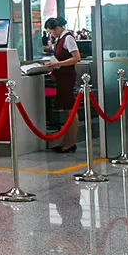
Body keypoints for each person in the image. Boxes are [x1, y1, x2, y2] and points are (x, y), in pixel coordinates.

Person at [46, 17, 81, 153]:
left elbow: (76, 58)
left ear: (57, 28)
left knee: (70, 109)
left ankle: (70, 143)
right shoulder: (61, 38)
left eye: (50, 31)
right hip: (62, 77)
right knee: (67, 110)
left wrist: (59, 64)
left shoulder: (68, 38)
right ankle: (65, 141)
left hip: (67, 77)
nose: (50, 34)